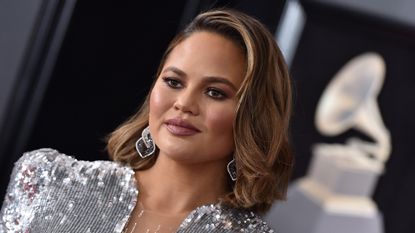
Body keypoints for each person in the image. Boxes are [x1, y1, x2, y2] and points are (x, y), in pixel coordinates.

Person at [0, 8, 293, 233]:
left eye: (215, 92)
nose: (184, 104)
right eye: (174, 82)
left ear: (253, 116)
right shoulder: (48, 181)